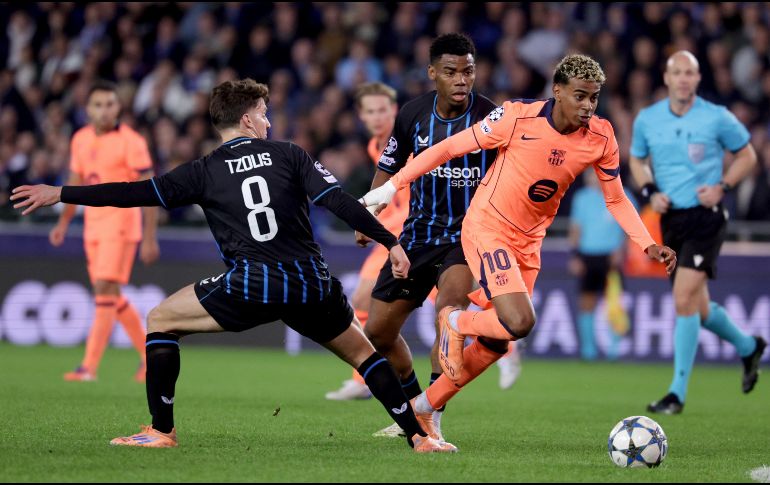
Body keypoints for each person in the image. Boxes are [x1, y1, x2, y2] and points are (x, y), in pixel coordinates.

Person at [12, 79, 455, 453]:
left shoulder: (203, 171)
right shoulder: (289, 154)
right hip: (311, 282)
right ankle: (420, 438)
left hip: (252, 284)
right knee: (364, 354)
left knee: (160, 320)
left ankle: (161, 431)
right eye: (263, 113)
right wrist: (389, 241)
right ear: (246, 120)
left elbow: (132, 192)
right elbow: (337, 200)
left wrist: (62, 193)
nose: (268, 121)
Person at [360, 54, 677, 440]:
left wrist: (647, 243)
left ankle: (425, 409)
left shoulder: (601, 136)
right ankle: (455, 322)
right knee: (521, 322)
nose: (588, 106)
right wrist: (392, 186)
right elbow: (448, 148)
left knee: (497, 342)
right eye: (579, 96)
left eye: (594, 98)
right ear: (557, 91)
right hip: (488, 228)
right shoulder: (516, 117)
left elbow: (615, 198)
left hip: (529, 243)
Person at [358, 33, 500, 438]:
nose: (461, 80)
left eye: (468, 71)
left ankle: (431, 417)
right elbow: (388, 166)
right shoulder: (412, 114)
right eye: (451, 72)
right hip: (418, 236)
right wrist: (369, 214)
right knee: (378, 333)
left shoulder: (491, 117)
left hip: (467, 237)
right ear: (432, 73)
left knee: (449, 312)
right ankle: (415, 406)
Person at [629, 50, 767, 415]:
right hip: (671, 220)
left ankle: (676, 393)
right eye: (677, 72)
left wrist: (723, 186)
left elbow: (748, 156)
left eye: (689, 72)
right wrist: (649, 191)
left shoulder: (717, 117)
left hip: (707, 216)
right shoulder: (648, 119)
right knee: (697, 307)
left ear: (698, 78)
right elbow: (637, 160)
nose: (683, 79)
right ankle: (748, 346)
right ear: (666, 77)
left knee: (683, 297)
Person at [50, 80, 159, 382]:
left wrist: (150, 237)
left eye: (110, 104)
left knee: (103, 289)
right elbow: (73, 184)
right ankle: (150, 357)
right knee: (110, 294)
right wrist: (63, 222)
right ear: (88, 109)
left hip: (122, 224)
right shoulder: (80, 139)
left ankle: (88, 367)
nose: (104, 110)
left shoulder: (132, 142)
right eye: (98, 105)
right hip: (93, 226)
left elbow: (150, 190)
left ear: (118, 107)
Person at [324, 82, 410, 401]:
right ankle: (363, 381)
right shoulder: (376, 147)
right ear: (361, 116)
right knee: (361, 300)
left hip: (415, 234)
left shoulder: (409, 145)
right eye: (370, 111)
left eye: (382, 110)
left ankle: (505, 338)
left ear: (394, 110)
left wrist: (374, 223)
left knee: (454, 303)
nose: (377, 117)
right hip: (394, 236)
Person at [568, 170, 636, 361]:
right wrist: (575, 255)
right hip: (587, 255)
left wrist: (621, 250)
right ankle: (588, 351)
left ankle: (614, 349)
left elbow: (631, 226)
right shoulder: (581, 198)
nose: (593, 179)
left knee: (613, 302)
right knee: (586, 302)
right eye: (591, 175)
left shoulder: (622, 194)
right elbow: (575, 229)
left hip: (611, 257)